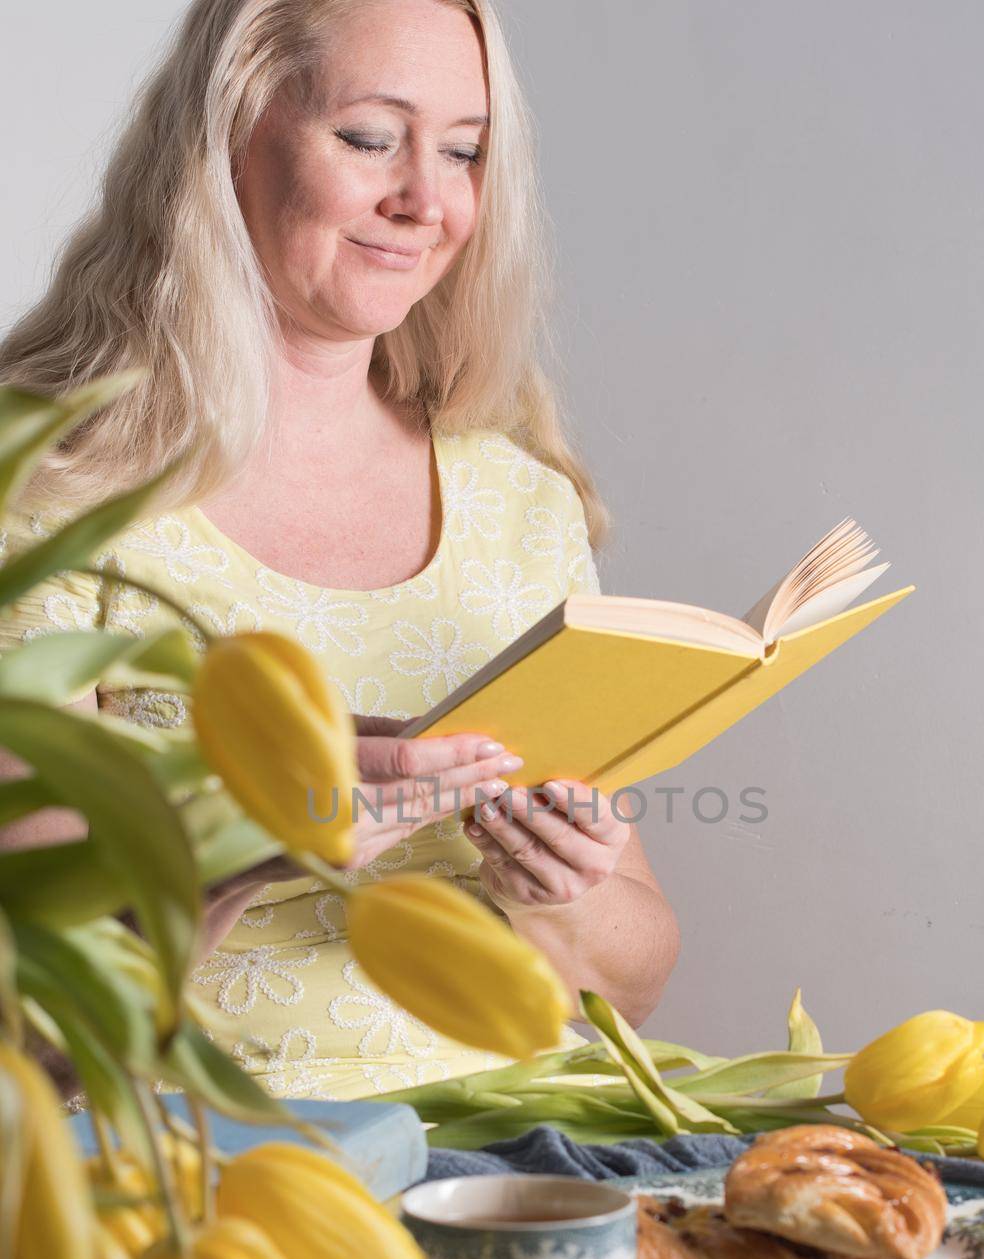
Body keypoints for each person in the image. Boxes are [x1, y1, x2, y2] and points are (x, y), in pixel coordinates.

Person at [0, 0, 680, 1099]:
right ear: (227, 137)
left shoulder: (516, 504)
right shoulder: (53, 493)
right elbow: (34, 1018)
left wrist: (561, 889)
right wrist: (246, 839)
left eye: (463, 152)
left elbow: (631, 987)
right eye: (370, 137)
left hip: (526, 1158)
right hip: (237, 1168)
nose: (426, 201)